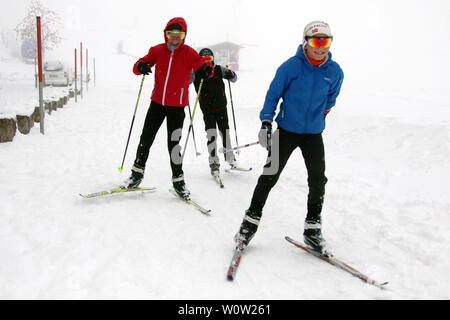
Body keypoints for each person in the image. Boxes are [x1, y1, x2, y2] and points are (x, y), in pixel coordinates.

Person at [234, 21, 344, 255]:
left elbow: (331, 99)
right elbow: (273, 95)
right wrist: (266, 122)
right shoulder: (290, 67)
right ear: (305, 41)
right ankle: (248, 225)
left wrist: (319, 115)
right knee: (269, 176)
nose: (320, 47)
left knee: (317, 180)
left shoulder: (335, 72)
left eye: (326, 41)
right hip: (286, 131)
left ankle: (312, 230)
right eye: (316, 41)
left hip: (313, 134)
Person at [123, 17, 212, 200]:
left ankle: (178, 181)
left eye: (178, 35)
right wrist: (141, 66)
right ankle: (136, 174)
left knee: (173, 145)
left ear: (184, 36)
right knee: (146, 138)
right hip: (157, 104)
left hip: (177, 108)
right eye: (171, 35)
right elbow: (138, 66)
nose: (174, 39)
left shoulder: (189, 53)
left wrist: (206, 70)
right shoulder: (157, 50)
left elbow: (204, 67)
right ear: (166, 34)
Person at [192, 48, 239, 176]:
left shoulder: (218, 69)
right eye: (204, 59)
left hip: (221, 107)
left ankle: (230, 158)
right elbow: (185, 80)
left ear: (213, 59)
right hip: (207, 110)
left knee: (225, 133)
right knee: (211, 135)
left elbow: (234, 78)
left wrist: (231, 74)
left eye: (209, 59)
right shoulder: (196, 72)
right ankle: (213, 163)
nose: (207, 61)